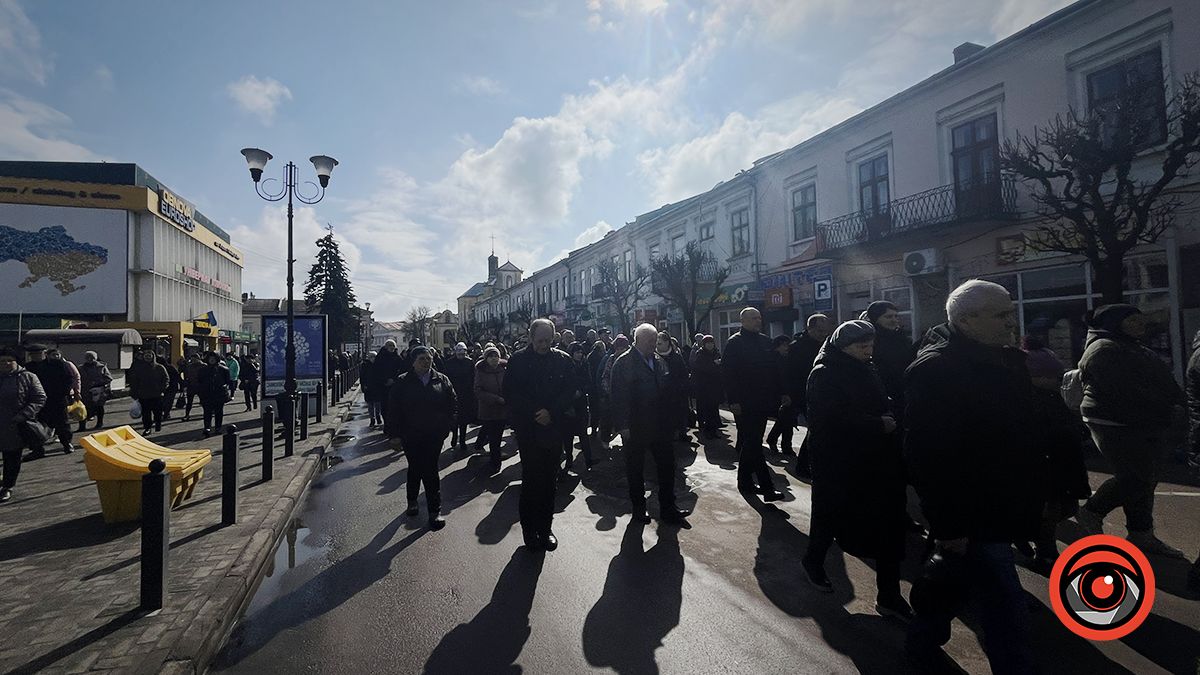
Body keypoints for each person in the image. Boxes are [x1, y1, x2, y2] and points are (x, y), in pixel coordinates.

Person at [903, 279, 1041, 672]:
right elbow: (929, 456)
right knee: (1006, 609)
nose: (1011, 322)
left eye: (1010, 312)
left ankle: (921, 644)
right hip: (973, 509)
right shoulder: (937, 369)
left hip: (1003, 500)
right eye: (1000, 315)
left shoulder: (1006, 359)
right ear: (966, 320)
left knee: (952, 588)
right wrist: (948, 525)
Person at [802, 320, 911, 618]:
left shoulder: (867, 366)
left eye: (870, 345)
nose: (867, 350)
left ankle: (889, 595)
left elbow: (874, 398)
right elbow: (829, 419)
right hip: (838, 460)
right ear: (843, 346)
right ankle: (814, 561)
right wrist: (877, 423)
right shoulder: (824, 373)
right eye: (860, 346)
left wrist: (888, 410)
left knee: (889, 524)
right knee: (830, 515)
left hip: (877, 458)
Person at [1073, 304, 1187, 558]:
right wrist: (1165, 409)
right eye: (1132, 320)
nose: (1140, 324)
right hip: (1115, 422)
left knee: (1145, 478)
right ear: (1115, 323)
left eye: (1140, 319)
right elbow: (1124, 393)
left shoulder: (1132, 346)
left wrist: (1176, 403)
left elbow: (1164, 382)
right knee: (1136, 476)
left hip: (1145, 421)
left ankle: (1141, 533)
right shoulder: (1104, 349)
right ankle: (1092, 511)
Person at [503, 319, 575, 551]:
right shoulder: (518, 360)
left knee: (550, 482)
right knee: (532, 480)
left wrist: (551, 412)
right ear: (531, 338)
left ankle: (545, 529)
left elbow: (570, 390)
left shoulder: (562, 360)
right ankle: (529, 529)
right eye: (540, 340)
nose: (544, 344)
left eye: (548, 340)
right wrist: (536, 413)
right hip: (529, 429)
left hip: (554, 428)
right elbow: (511, 393)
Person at [1021, 337, 1091, 571]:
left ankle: (1036, 540)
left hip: (1062, 461)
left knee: (1066, 507)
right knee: (1050, 512)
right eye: (1049, 377)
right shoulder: (1030, 400)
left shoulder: (1052, 396)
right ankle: (1045, 552)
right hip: (1048, 464)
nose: (1055, 381)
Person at [611, 323, 691, 525]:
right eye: (649, 341)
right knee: (636, 469)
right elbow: (618, 396)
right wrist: (623, 425)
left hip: (660, 424)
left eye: (655, 341)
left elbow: (668, 389)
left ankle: (668, 508)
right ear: (637, 340)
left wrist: (674, 419)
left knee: (667, 466)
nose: (653, 345)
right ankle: (639, 509)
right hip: (636, 426)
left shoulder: (659, 361)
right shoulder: (624, 363)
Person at [385, 346, 455, 530]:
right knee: (415, 468)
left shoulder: (441, 380)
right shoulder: (402, 382)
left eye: (428, 358)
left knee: (431, 469)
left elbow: (452, 403)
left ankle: (434, 511)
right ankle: (412, 500)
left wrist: (447, 425)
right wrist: (394, 435)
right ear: (413, 362)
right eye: (422, 359)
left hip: (434, 434)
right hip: (411, 434)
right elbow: (393, 410)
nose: (426, 362)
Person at [721, 308, 788, 501]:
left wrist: (782, 392)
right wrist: (733, 400)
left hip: (763, 401)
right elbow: (728, 374)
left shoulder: (766, 341)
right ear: (742, 321)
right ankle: (767, 488)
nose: (758, 321)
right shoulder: (734, 343)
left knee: (752, 443)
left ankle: (745, 482)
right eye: (753, 318)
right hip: (744, 402)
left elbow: (775, 370)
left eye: (759, 317)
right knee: (754, 444)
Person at [786, 314, 831, 477]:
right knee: (815, 429)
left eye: (826, 331)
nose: (823, 334)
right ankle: (803, 466)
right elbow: (790, 374)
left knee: (818, 429)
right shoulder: (797, 347)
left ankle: (811, 463)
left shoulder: (828, 345)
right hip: (804, 394)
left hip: (823, 393)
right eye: (819, 330)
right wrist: (790, 396)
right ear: (809, 328)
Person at [0, 348, 47, 503]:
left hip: (14, 425)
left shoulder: (27, 377)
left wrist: (24, 415)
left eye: (9, 360)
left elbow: (39, 398)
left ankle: (7, 486)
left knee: (11, 458)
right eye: (2, 361)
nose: (5, 363)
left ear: (16, 361)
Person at [23, 345, 76, 455]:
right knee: (37, 426)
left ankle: (67, 444)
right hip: (37, 402)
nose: (36, 356)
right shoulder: (28, 367)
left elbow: (69, 378)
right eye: (33, 355)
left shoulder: (58, 364)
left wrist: (64, 392)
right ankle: (38, 449)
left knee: (62, 423)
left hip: (56, 399)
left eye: (38, 354)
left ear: (44, 353)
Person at [473, 345, 509, 469]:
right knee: (493, 437)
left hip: (502, 409)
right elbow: (478, 391)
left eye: (496, 356)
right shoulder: (481, 370)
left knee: (498, 436)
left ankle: (495, 458)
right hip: (488, 409)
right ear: (486, 358)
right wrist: (495, 399)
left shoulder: (504, 369)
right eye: (491, 356)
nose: (494, 359)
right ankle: (495, 462)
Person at [655, 332, 691, 442]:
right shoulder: (654, 357)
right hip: (661, 394)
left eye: (660, 343)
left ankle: (681, 432)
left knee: (680, 414)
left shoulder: (676, 357)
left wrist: (681, 386)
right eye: (656, 344)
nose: (657, 346)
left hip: (677, 393)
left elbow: (684, 374)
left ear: (667, 343)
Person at [563, 343, 593, 472]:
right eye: (577, 352)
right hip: (568, 405)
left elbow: (589, 382)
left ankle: (588, 460)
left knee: (583, 434)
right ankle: (569, 460)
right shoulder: (565, 366)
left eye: (581, 352)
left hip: (580, 404)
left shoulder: (585, 365)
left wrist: (581, 390)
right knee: (568, 435)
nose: (579, 355)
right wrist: (570, 394)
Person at [765, 335, 796, 454]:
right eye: (784, 345)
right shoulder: (773, 359)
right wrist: (782, 393)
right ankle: (778, 442)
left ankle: (784, 444)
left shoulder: (788, 358)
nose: (787, 347)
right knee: (785, 419)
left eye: (788, 345)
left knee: (787, 419)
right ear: (777, 347)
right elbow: (776, 379)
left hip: (789, 392)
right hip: (778, 394)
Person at [443, 343, 477, 449]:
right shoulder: (449, 363)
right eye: (459, 353)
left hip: (466, 394)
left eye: (463, 353)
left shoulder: (469, 362)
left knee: (464, 420)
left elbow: (473, 377)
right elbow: (446, 378)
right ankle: (454, 435)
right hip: (454, 393)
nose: (461, 356)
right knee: (454, 419)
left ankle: (462, 440)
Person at [127, 350, 169, 435]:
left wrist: (162, 389)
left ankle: (158, 423)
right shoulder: (139, 368)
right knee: (146, 413)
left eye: (149, 356)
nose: (148, 358)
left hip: (156, 394)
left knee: (157, 412)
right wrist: (134, 391)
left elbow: (166, 379)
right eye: (146, 356)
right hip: (143, 394)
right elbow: (134, 381)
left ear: (153, 357)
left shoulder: (159, 367)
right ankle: (147, 428)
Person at [691, 336, 724, 439]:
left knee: (714, 409)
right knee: (705, 409)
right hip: (704, 387)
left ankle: (713, 430)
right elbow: (701, 369)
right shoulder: (700, 354)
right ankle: (706, 430)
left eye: (711, 343)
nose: (710, 345)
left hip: (715, 386)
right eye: (708, 343)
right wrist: (713, 364)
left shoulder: (716, 353)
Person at [197, 352, 232, 437]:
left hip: (219, 394)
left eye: (214, 358)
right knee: (207, 412)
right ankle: (207, 427)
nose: (212, 360)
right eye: (210, 358)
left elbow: (228, 381)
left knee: (218, 412)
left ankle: (218, 427)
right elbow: (199, 381)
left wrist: (223, 388)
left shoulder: (223, 369)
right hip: (207, 394)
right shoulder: (203, 370)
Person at [77, 351, 113, 432]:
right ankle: (82, 426)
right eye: (88, 357)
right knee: (84, 408)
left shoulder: (101, 367)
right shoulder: (81, 368)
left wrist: (99, 384)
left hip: (99, 391)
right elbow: (77, 378)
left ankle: (99, 423)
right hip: (85, 391)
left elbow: (108, 378)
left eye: (92, 357)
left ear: (95, 358)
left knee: (99, 407)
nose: (90, 359)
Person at [373, 340, 404, 424]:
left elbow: (401, 370)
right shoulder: (380, 357)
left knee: (394, 406)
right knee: (385, 406)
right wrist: (385, 380)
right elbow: (376, 371)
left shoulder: (397, 357)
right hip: (383, 386)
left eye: (393, 346)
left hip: (395, 385)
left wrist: (394, 379)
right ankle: (386, 423)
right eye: (390, 346)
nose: (392, 347)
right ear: (386, 347)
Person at [181, 353, 204, 421]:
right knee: (189, 402)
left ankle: (207, 413)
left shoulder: (203, 366)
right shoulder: (190, 366)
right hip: (191, 386)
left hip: (200, 386)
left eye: (194, 359)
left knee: (203, 401)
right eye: (192, 359)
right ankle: (187, 415)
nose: (193, 360)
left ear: (198, 359)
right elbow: (186, 375)